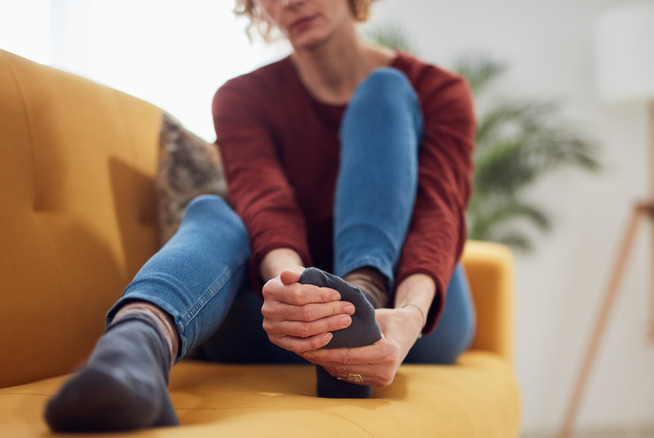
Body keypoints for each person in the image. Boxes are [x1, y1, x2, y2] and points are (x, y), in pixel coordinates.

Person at [44, 0, 477, 431]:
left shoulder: (438, 90)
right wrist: (298, 294)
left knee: (384, 89)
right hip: (290, 326)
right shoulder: (242, 98)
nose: (290, 1)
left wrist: (410, 317)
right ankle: (133, 350)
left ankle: (365, 298)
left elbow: (438, 216)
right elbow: (266, 205)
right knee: (214, 212)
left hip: (414, 318)